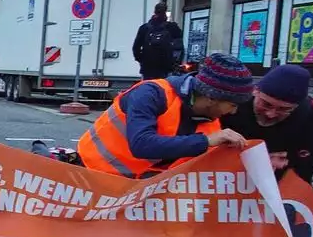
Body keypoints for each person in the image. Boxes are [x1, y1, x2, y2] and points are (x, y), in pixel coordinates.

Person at [78, 53, 254, 179]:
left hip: (141, 187)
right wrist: (205, 141)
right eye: (232, 105)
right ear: (211, 98)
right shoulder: (152, 93)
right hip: (94, 174)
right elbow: (141, 144)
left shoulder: (211, 120)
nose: (233, 112)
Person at [221, 64, 313, 184]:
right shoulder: (235, 103)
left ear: (297, 106)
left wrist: (289, 160)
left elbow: (305, 167)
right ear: (255, 91)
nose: (271, 114)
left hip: (276, 171)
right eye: (266, 104)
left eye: (283, 109)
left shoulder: (312, 114)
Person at [133, 3, 185, 80]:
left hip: (148, 68)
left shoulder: (144, 28)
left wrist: (142, 60)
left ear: (155, 12)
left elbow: (136, 48)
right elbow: (179, 46)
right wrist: (174, 63)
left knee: (149, 88)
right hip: (166, 68)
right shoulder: (172, 27)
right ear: (165, 12)